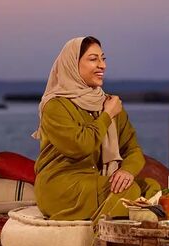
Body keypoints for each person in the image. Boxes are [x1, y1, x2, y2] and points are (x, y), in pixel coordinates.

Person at [33, 36, 160, 223]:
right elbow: (80, 146)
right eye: (93, 59)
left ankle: (121, 223)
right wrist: (107, 115)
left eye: (103, 58)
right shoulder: (55, 106)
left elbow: (132, 149)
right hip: (62, 186)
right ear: (72, 65)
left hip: (98, 182)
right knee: (129, 191)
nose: (102, 65)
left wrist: (126, 171)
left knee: (154, 187)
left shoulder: (109, 103)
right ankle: (99, 239)